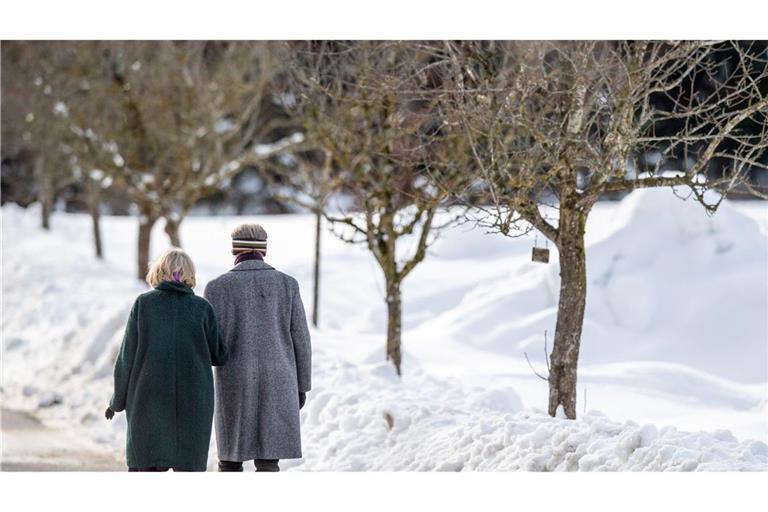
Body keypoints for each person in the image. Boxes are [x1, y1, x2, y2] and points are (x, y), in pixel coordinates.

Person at [106, 247, 229, 472]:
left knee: (147, 468)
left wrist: (117, 401)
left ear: (158, 272)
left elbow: (126, 358)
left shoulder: (144, 305)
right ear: (189, 275)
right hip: (194, 403)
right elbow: (220, 355)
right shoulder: (202, 309)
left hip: (148, 400)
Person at [204, 223, 312, 472]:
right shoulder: (288, 285)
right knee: (268, 460)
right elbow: (301, 340)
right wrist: (302, 386)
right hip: (279, 380)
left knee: (230, 460)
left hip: (234, 381)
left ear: (234, 250)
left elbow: (209, 342)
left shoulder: (216, 287)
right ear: (264, 248)